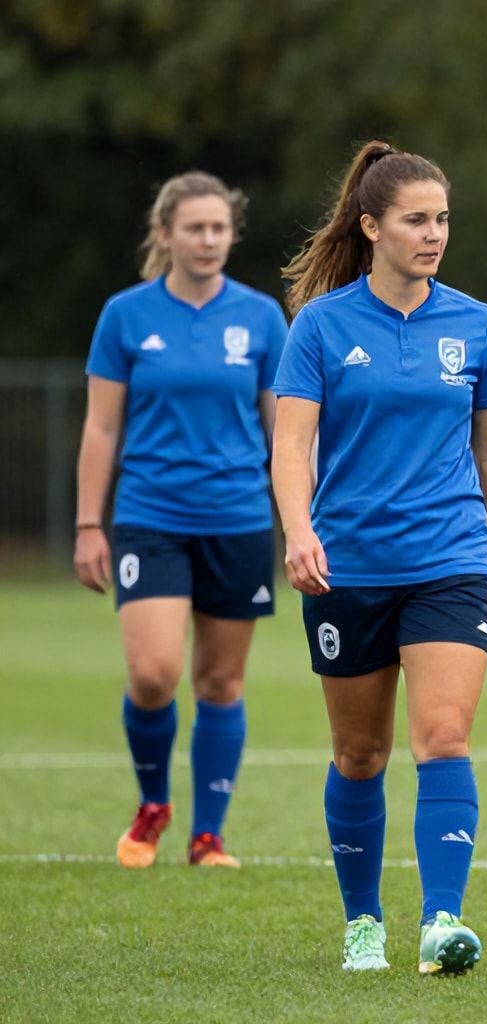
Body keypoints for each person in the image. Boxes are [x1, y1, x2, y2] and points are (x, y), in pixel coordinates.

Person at [271, 141, 487, 975]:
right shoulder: (321, 325)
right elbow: (293, 442)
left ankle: (441, 921)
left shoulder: (477, 325)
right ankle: (363, 924)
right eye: (417, 220)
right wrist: (299, 530)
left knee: (444, 738)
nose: (434, 233)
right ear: (372, 226)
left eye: (443, 219)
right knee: (360, 755)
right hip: (347, 566)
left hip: (450, 559)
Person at [75, 171, 286, 871]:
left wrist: (300, 523)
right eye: (194, 228)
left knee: (220, 685)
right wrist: (87, 524)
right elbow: (102, 429)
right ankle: (153, 803)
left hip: (239, 520)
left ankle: (208, 837)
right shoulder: (126, 316)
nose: (208, 240)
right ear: (164, 234)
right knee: (155, 674)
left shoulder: (259, 318)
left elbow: (283, 433)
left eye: (220, 228)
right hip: (151, 517)